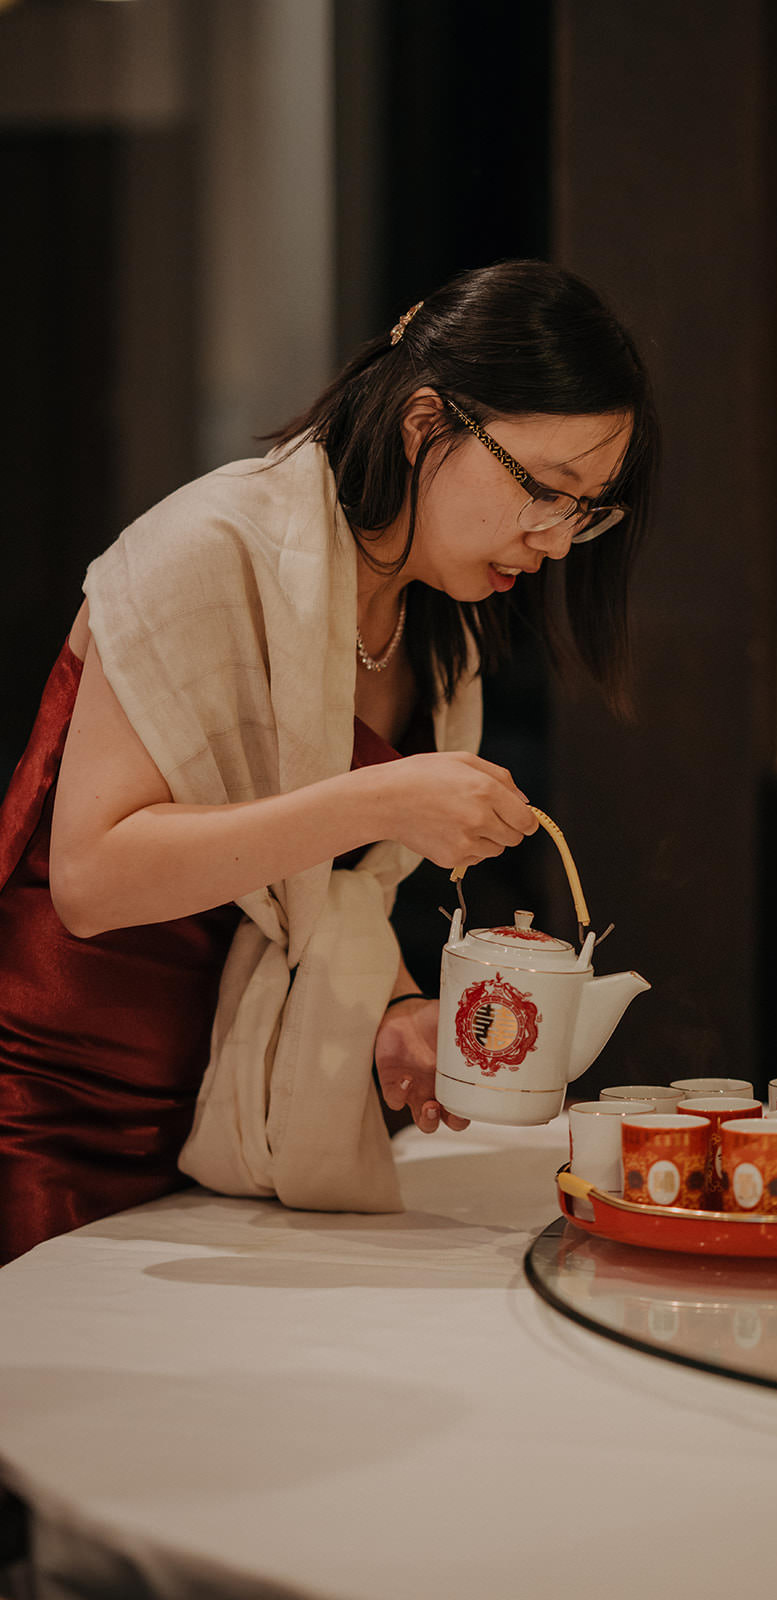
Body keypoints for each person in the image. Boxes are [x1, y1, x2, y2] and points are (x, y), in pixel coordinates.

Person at [0, 259, 659, 1264]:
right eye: (545, 489)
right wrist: (380, 799)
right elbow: (92, 878)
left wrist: (395, 1015)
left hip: (236, 1104)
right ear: (423, 424)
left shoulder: (436, 618)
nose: (558, 539)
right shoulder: (208, 548)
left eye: (587, 509)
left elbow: (307, 896)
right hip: (59, 1101)